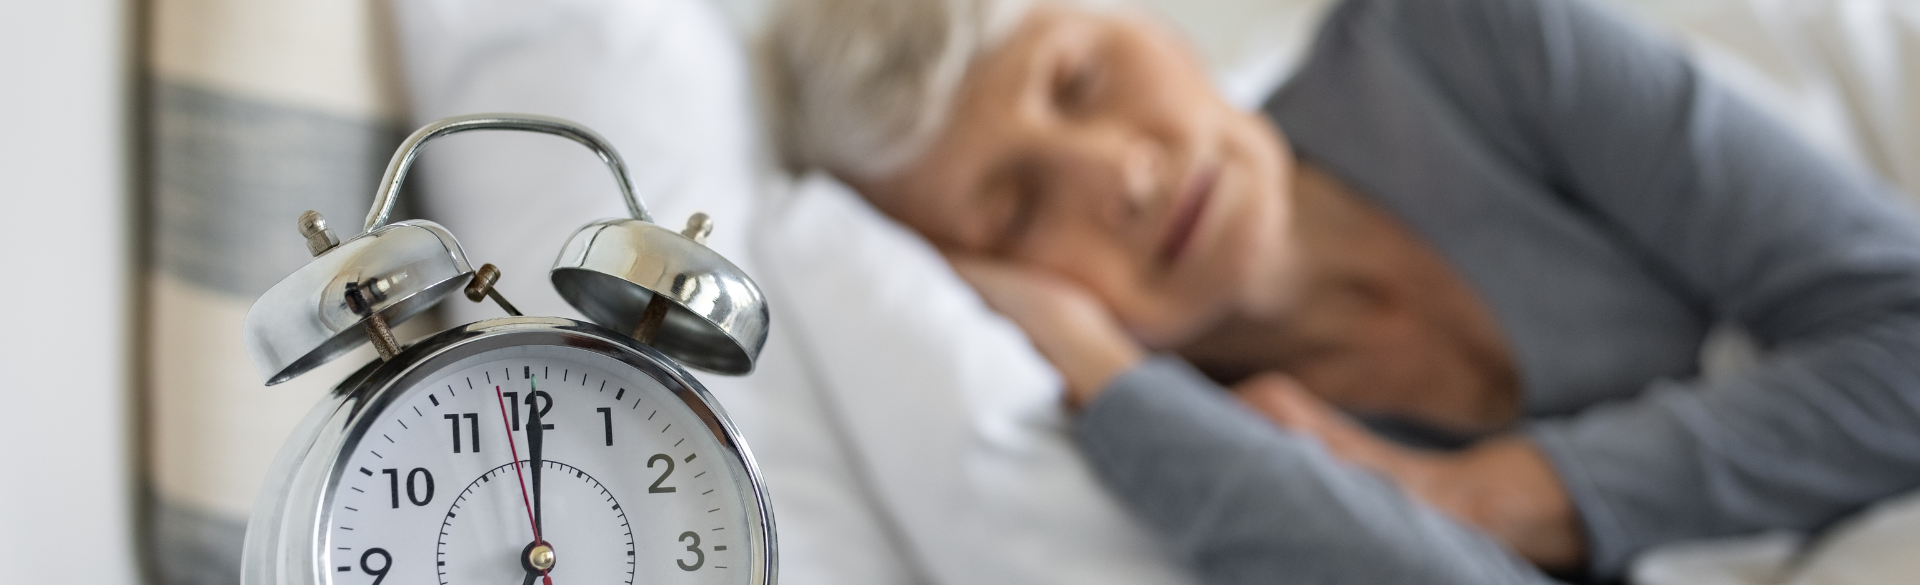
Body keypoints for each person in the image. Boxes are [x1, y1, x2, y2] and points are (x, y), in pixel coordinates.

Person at [761, 0, 1920, 582]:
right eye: (1015, 208)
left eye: (1082, 81)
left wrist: (1480, 496)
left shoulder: (1457, 44)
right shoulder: (1194, 451)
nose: (1116, 173)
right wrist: (1109, 374)